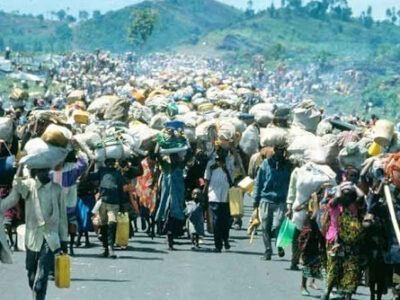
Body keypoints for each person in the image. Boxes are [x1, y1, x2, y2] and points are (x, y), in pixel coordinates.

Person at [2, 165, 68, 300]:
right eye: (40, 169)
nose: (43, 172)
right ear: (35, 171)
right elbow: (17, 184)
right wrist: (20, 166)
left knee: (42, 274)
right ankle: (37, 295)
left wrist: (64, 240)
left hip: (51, 237)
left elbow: (62, 217)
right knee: (31, 274)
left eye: (45, 169)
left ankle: (39, 296)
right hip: (32, 237)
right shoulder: (29, 186)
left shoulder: (57, 189)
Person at [321, 181, 364, 300]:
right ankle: (327, 291)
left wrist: (354, 186)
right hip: (335, 241)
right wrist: (340, 187)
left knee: (351, 270)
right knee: (334, 268)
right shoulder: (334, 205)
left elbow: (361, 196)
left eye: (350, 194)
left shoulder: (354, 205)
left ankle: (347, 295)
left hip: (351, 242)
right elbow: (338, 196)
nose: (347, 196)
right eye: (345, 194)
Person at [253, 141, 292, 260]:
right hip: (266, 198)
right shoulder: (265, 164)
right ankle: (268, 250)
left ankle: (279, 244)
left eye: (282, 150)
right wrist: (256, 199)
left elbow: (292, 183)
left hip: (281, 200)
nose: (280, 152)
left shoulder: (287, 166)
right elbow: (258, 182)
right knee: (265, 225)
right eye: (278, 150)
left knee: (278, 225)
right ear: (275, 150)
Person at [51, 149, 88, 255]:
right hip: (66, 203)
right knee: (69, 224)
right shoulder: (71, 167)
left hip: (61, 203)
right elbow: (84, 163)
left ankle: (65, 246)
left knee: (64, 225)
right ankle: (68, 246)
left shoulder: (57, 168)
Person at [87, 158, 125, 258]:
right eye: (109, 162)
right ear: (105, 163)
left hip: (114, 203)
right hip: (103, 202)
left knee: (112, 224)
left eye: (112, 162)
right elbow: (88, 177)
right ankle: (106, 248)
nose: (111, 164)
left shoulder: (118, 173)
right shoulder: (101, 171)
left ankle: (111, 247)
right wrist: (91, 163)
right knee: (103, 225)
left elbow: (121, 189)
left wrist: (122, 205)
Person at [203, 147, 234, 252]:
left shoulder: (229, 164)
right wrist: (204, 193)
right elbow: (207, 179)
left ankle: (225, 239)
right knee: (216, 221)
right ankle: (218, 244)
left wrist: (225, 169)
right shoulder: (210, 164)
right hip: (213, 196)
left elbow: (231, 181)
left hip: (226, 196)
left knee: (225, 221)